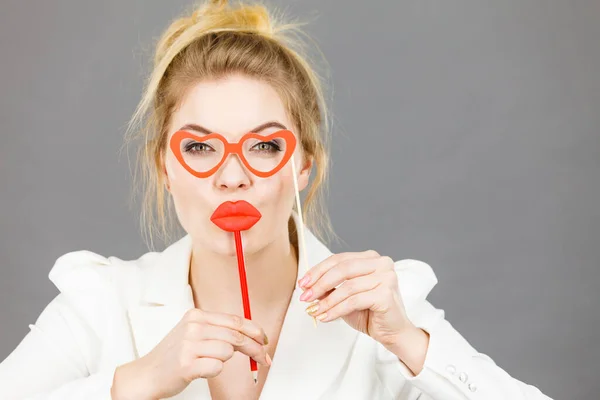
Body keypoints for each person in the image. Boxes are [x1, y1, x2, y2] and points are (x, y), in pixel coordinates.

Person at [0, 1, 554, 399]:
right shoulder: (101, 305)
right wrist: (134, 382)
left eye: (264, 145)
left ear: (304, 166)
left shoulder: (381, 309)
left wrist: (410, 342)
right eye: (199, 147)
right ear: (164, 167)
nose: (233, 176)